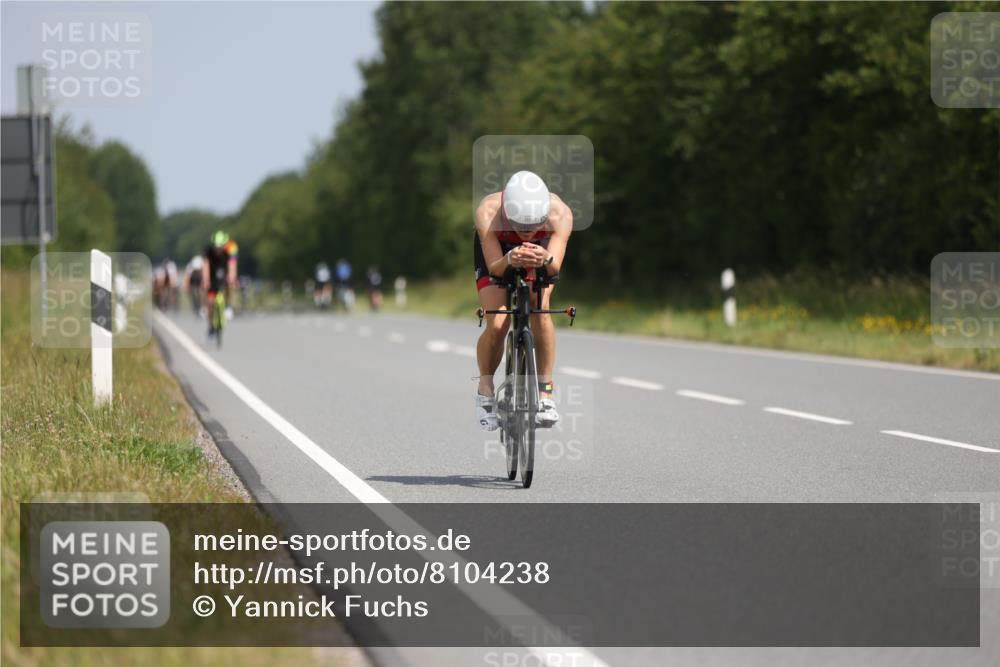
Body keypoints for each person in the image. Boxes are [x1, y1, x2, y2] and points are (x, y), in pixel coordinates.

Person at [473, 170, 572, 431]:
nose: (527, 233)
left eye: (534, 226)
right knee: (497, 323)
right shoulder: (488, 211)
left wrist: (545, 258)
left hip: (541, 252)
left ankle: (545, 395)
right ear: (507, 213)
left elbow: (555, 267)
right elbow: (494, 269)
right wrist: (509, 259)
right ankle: (485, 388)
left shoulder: (560, 214)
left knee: (541, 310)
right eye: (520, 226)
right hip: (499, 254)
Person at [202, 231, 238, 336]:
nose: (218, 250)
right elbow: (205, 266)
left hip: (224, 273)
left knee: (230, 284)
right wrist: (206, 280)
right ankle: (210, 325)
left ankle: (228, 306)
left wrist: (232, 277)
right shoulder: (208, 252)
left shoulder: (229, 250)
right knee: (210, 302)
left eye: (220, 247)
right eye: (216, 247)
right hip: (212, 276)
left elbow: (232, 265)